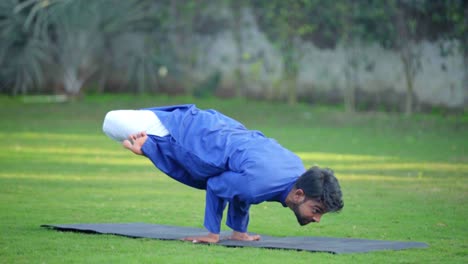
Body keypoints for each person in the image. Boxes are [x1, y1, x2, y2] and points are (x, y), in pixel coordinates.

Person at [102, 104, 343, 243]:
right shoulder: (263, 182)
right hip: (189, 130)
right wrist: (213, 233)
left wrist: (239, 232)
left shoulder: (294, 169)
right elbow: (218, 184)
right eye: (317, 210)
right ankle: (149, 142)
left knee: (123, 126)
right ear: (299, 194)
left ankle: (148, 142)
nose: (317, 218)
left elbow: (244, 190)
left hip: (213, 127)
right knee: (111, 122)